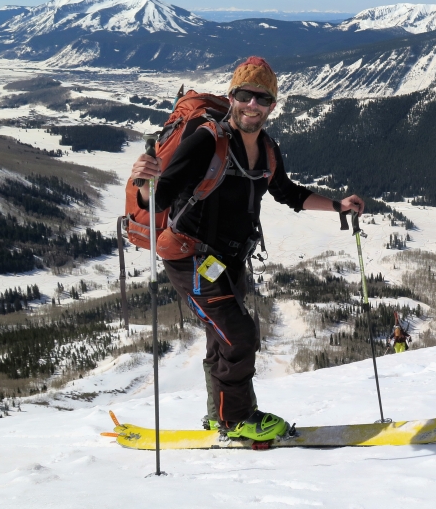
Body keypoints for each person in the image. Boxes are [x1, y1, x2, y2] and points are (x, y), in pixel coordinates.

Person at [129, 56, 364, 441]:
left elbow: (289, 194)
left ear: (273, 105)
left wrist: (338, 205)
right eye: (244, 95)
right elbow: (156, 197)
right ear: (231, 97)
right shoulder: (206, 140)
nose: (252, 105)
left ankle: (217, 415)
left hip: (227, 260)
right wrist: (144, 180)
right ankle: (237, 419)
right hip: (190, 255)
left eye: (262, 98)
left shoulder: (268, 149)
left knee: (221, 336)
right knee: (239, 335)